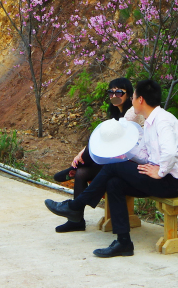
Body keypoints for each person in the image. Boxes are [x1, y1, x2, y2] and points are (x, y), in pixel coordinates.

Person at [45, 79, 178, 257]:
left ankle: (75, 206)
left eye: (134, 96)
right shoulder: (150, 122)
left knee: (114, 168)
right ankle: (123, 243)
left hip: (170, 182)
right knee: (114, 183)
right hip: (156, 176)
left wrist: (160, 172)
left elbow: (171, 152)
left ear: (141, 100)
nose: (132, 101)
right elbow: (146, 155)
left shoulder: (163, 121)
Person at [51, 77, 142, 232]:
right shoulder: (116, 114)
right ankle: (76, 220)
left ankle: (71, 172)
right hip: (117, 160)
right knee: (81, 173)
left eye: (119, 92)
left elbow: (111, 142)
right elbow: (104, 139)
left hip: (132, 163)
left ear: (128, 94)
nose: (114, 96)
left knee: (88, 164)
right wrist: (81, 153)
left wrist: (84, 154)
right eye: (111, 92)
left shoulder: (131, 113)